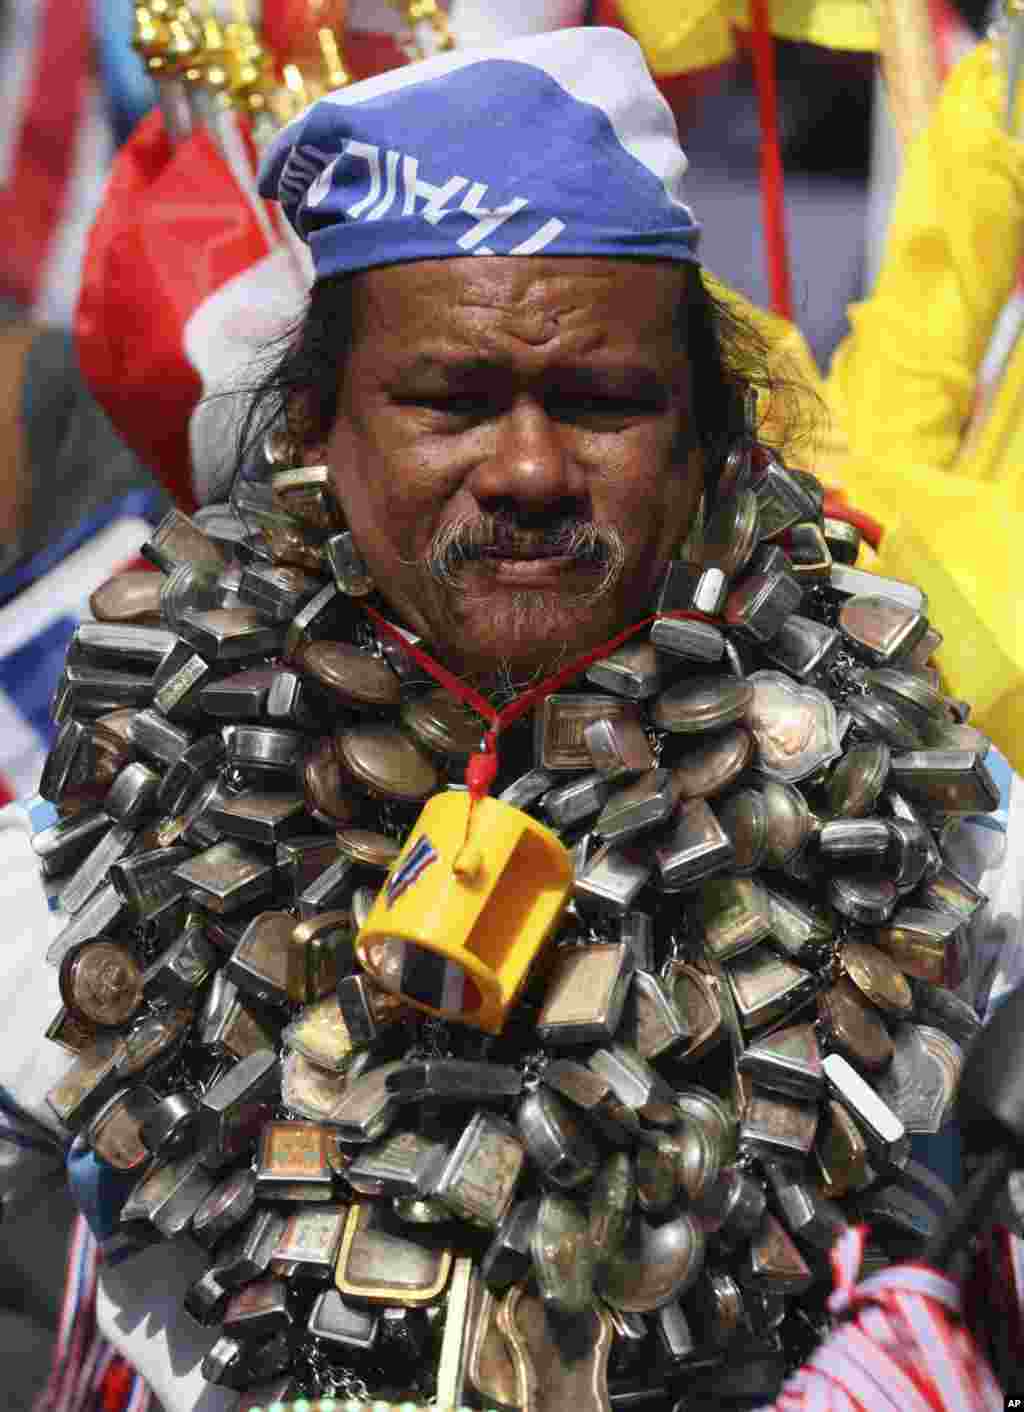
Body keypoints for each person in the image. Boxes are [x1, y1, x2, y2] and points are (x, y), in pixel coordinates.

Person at [0, 25, 1017, 1412]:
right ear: (314, 427)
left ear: (710, 440)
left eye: (601, 402)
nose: (530, 468)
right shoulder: (69, 890)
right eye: (451, 401)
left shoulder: (948, 857)